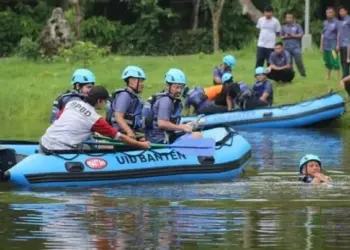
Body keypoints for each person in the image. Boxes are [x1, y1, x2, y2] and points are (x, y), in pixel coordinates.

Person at [40, 86, 149, 152]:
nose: (106, 104)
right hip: (60, 149)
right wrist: (141, 145)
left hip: (44, 142)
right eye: (105, 101)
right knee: (103, 148)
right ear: (99, 101)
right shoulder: (95, 119)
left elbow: (60, 119)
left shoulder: (72, 103)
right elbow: (120, 138)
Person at [143, 68, 200, 143]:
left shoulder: (168, 99)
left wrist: (186, 125)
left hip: (161, 136)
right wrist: (183, 127)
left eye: (181, 87)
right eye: (176, 87)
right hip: (160, 140)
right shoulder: (166, 100)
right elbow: (162, 123)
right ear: (167, 86)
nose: (179, 90)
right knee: (197, 135)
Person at [107, 66, 145, 139]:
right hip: (121, 134)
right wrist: (129, 132)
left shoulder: (133, 97)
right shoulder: (125, 96)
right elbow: (118, 117)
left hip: (127, 133)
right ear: (131, 81)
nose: (142, 84)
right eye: (140, 81)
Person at [281, 12, 306, 77]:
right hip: (287, 48)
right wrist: (286, 36)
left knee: (299, 62)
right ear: (285, 19)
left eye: (290, 17)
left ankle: (303, 75)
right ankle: (291, 76)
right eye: (287, 18)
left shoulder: (297, 26)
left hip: (296, 47)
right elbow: (281, 37)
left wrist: (293, 35)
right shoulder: (283, 27)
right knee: (289, 63)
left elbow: (301, 34)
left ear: (293, 18)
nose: (288, 19)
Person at [321, 7, 340, 80]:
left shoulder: (337, 22)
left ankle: (337, 77)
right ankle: (327, 77)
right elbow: (322, 34)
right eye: (327, 13)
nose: (328, 14)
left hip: (333, 43)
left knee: (335, 60)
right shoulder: (325, 22)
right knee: (327, 60)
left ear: (333, 13)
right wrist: (321, 45)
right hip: (326, 44)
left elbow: (339, 33)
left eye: (330, 12)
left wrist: (338, 44)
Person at [338, 6, 350, 78]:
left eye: (342, 11)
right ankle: (345, 76)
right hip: (342, 44)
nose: (341, 13)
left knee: (346, 61)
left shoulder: (349, 19)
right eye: (340, 11)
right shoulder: (341, 21)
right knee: (342, 61)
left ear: (346, 11)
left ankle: (345, 76)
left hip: (347, 44)